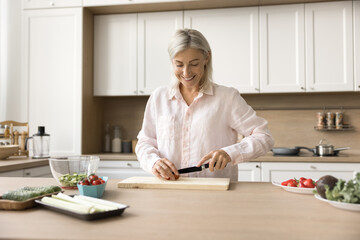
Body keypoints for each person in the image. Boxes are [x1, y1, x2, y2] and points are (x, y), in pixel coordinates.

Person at [135, 29, 274, 181]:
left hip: (215, 193)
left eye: (194, 64)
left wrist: (230, 153)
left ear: (207, 57)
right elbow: (145, 142)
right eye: (179, 64)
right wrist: (154, 162)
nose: (186, 72)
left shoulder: (227, 98)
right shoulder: (159, 97)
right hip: (169, 189)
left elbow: (263, 136)